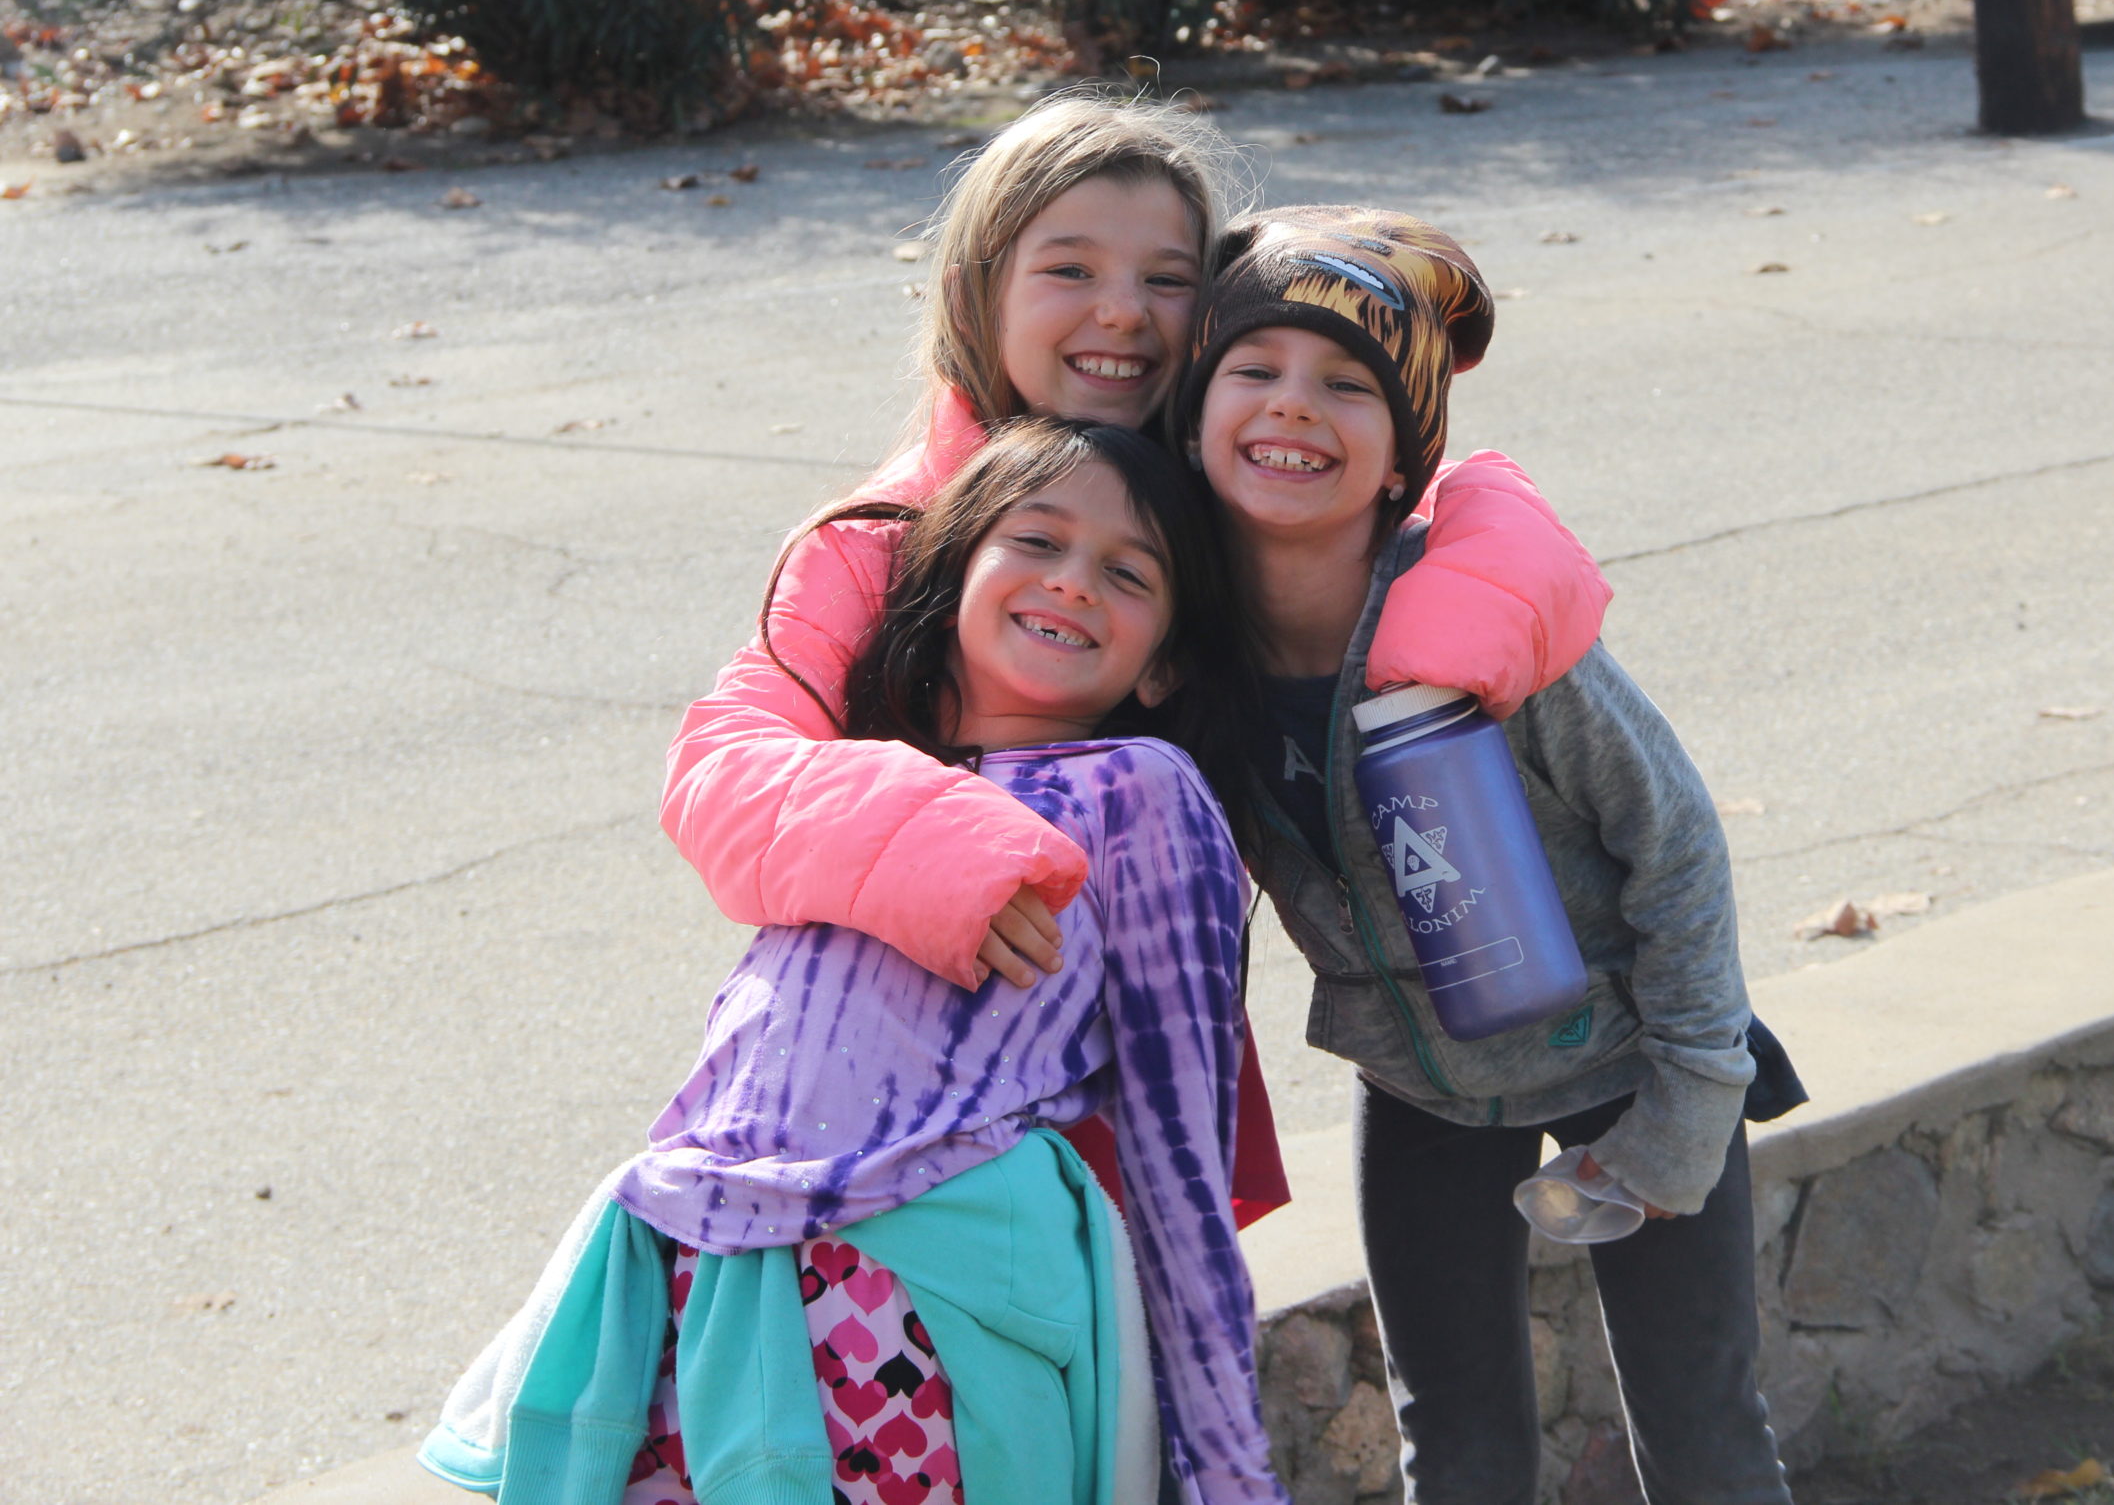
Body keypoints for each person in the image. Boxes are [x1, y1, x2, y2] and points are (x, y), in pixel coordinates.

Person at [422, 419, 1289, 1505]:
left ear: (1163, 663)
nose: (1074, 583)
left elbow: (1180, 1161)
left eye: (1128, 572)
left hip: (913, 1318)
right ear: (955, 568)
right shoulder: (850, 784)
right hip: (706, 1292)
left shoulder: (1140, 789)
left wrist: (1230, 1481)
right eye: (1037, 540)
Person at [661, 93, 1613, 1040]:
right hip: (920, 1073)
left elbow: (1439, 499)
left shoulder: (1221, 491)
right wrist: (929, 840)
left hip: (1156, 1065)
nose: (1121, 313)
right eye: (1070, 268)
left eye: (1167, 280)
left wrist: (1470, 601)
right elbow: (720, 770)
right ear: (973, 291)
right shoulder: (875, 543)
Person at [1164, 207, 1805, 1505]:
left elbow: (1671, 839)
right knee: (1454, 1451)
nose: (1297, 407)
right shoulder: (1186, 650)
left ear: (1405, 452)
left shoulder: (1485, 622)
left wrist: (1690, 1100)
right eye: (1256, 369)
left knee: (1703, 1439)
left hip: (1634, 1055)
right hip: (1419, 1087)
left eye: (1348, 385)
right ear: (1193, 412)